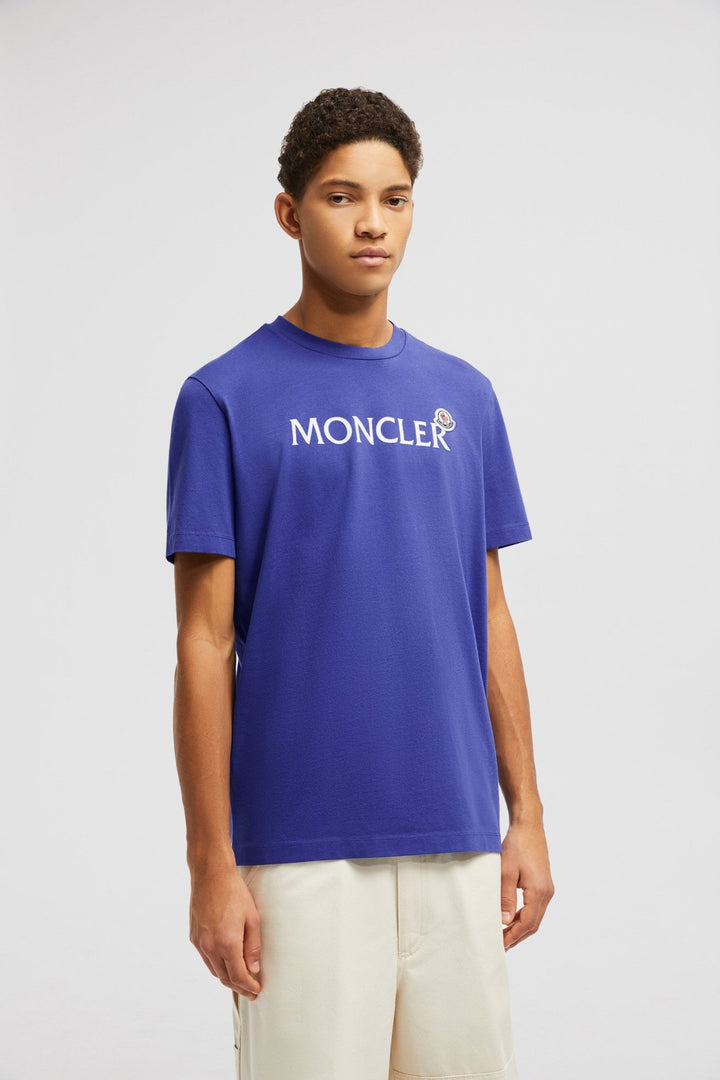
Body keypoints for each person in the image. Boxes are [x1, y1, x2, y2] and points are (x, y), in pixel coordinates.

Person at [165, 86, 554, 1080]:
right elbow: (204, 642)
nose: (372, 223)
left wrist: (527, 817)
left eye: (395, 198)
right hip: (300, 848)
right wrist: (212, 864)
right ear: (290, 213)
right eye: (342, 197)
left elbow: (488, 614)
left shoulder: (463, 397)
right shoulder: (223, 397)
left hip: (457, 835)